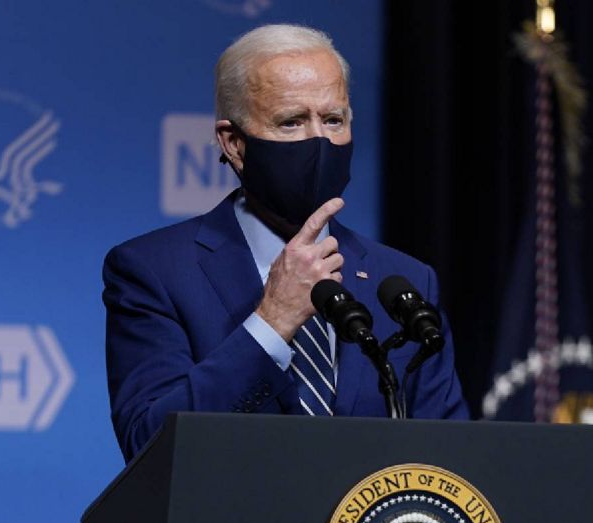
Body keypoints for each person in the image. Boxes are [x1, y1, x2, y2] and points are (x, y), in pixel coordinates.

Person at [103, 24, 468, 461]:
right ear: (234, 144)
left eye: (333, 120)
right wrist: (272, 322)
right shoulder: (154, 271)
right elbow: (149, 445)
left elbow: (451, 462)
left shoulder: (405, 280)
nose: (319, 141)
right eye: (291, 122)